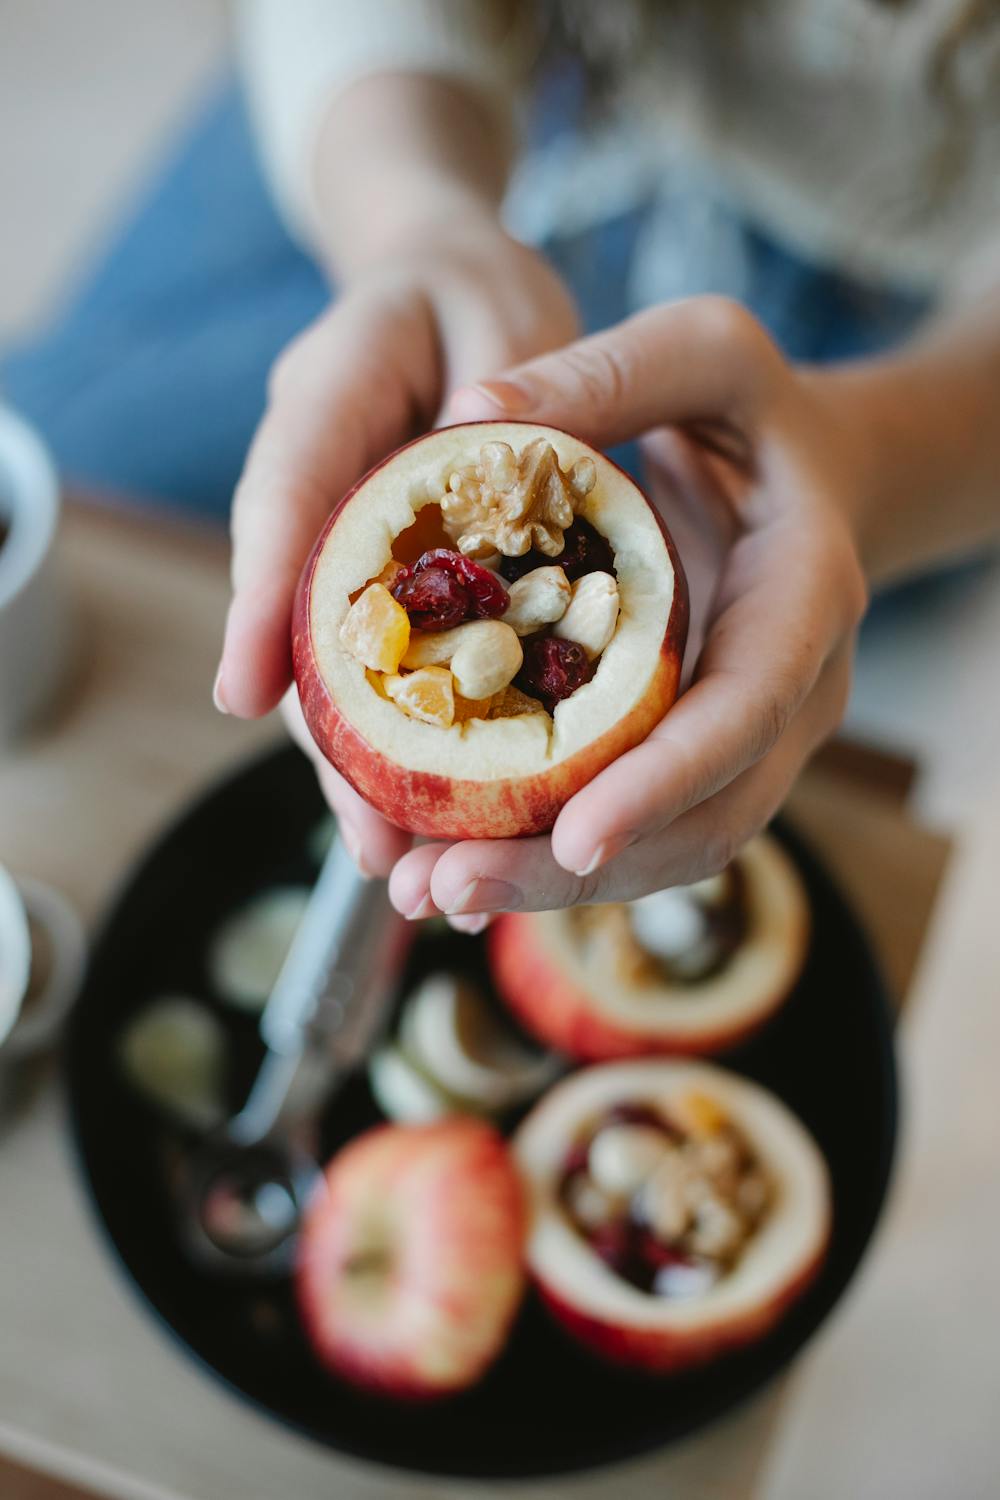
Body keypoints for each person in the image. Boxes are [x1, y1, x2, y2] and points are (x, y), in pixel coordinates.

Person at [215, 0, 1000, 930]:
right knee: (104, 453)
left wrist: (875, 466)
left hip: (924, 306)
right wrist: (412, 219)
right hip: (523, 92)